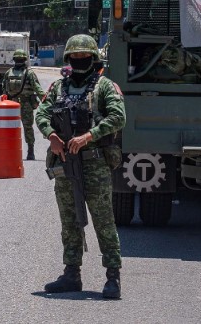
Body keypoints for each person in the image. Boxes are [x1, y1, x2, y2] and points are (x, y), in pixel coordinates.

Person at [35, 34, 126, 299]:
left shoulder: (105, 87)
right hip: (65, 163)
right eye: (74, 58)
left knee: (104, 222)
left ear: (93, 59)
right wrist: (51, 135)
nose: (78, 61)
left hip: (95, 164)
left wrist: (90, 135)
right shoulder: (58, 88)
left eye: (83, 57)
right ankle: (71, 274)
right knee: (70, 221)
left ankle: (113, 276)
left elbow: (118, 117)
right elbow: (41, 114)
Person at [2, 49, 46, 160]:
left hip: (13, 104)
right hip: (24, 104)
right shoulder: (29, 73)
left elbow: (4, 89)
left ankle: (15, 150)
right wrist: (46, 100)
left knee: (13, 128)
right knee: (27, 128)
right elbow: (37, 88)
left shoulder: (9, 72)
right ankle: (30, 151)